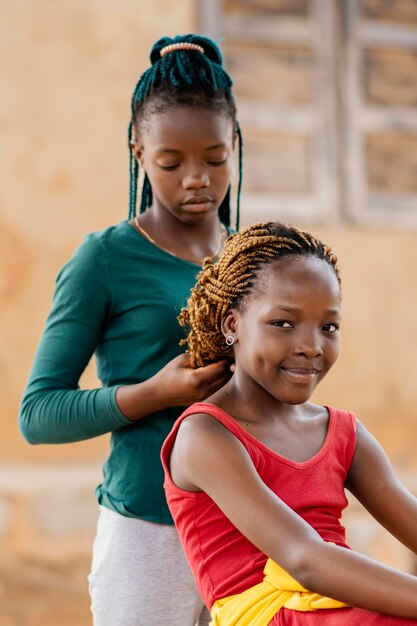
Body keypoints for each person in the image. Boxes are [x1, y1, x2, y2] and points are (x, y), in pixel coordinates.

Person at [19, 34, 243, 626]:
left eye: (216, 159)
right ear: (138, 150)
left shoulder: (254, 259)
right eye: (171, 163)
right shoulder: (105, 259)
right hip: (150, 530)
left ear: (236, 146)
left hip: (248, 526)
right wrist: (155, 394)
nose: (197, 179)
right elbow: (37, 414)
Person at [161, 221, 417, 625]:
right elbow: (305, 560)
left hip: (340, 606)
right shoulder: (206, 435)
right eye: (283, 323)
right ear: (232, 326)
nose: (311, 346)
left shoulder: (343, 433)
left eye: (328, 327)